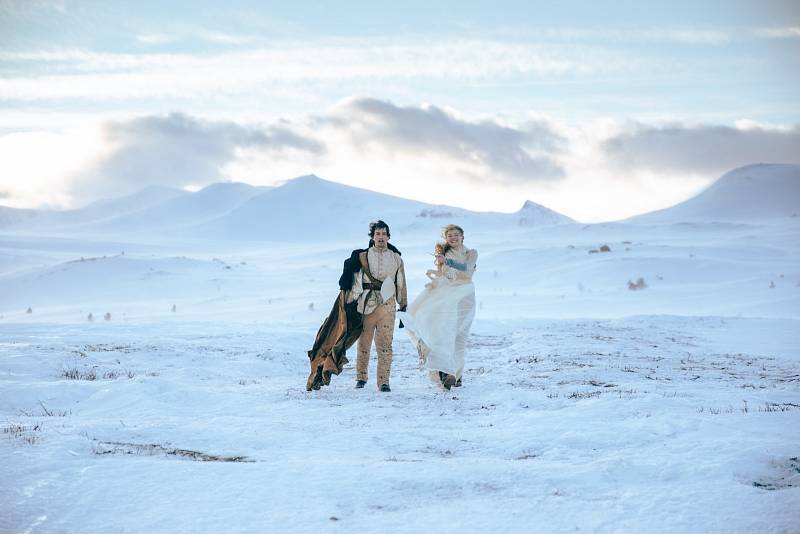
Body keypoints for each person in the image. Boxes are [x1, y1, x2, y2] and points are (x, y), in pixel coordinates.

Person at [398, 224, 477, 390]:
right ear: (446, 239)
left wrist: (447, 262)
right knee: (445, 333)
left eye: (456, 235)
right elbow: (447, 275)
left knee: (460, 338)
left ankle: (458, 374)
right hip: (448, 296)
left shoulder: (471, 253)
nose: (453, 238)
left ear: (463, 236)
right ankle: (448, 373)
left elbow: (467, 271)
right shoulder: (444, 254)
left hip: (465, 297)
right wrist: (443, 266)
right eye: (450, 236)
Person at [347, 220, 407, 392]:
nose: (381, 237)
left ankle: (383, 381)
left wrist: (403, 304)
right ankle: (361, 377)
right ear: (372, 237)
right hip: (365, 304)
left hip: (387, 305)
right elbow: (357, 281)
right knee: (363, 343)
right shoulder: (363, 256)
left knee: (385, 344)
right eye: (377, 234)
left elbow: (401, 283)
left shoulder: (396, 258)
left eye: (383, 233)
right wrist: (351, 302)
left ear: (388, 236)